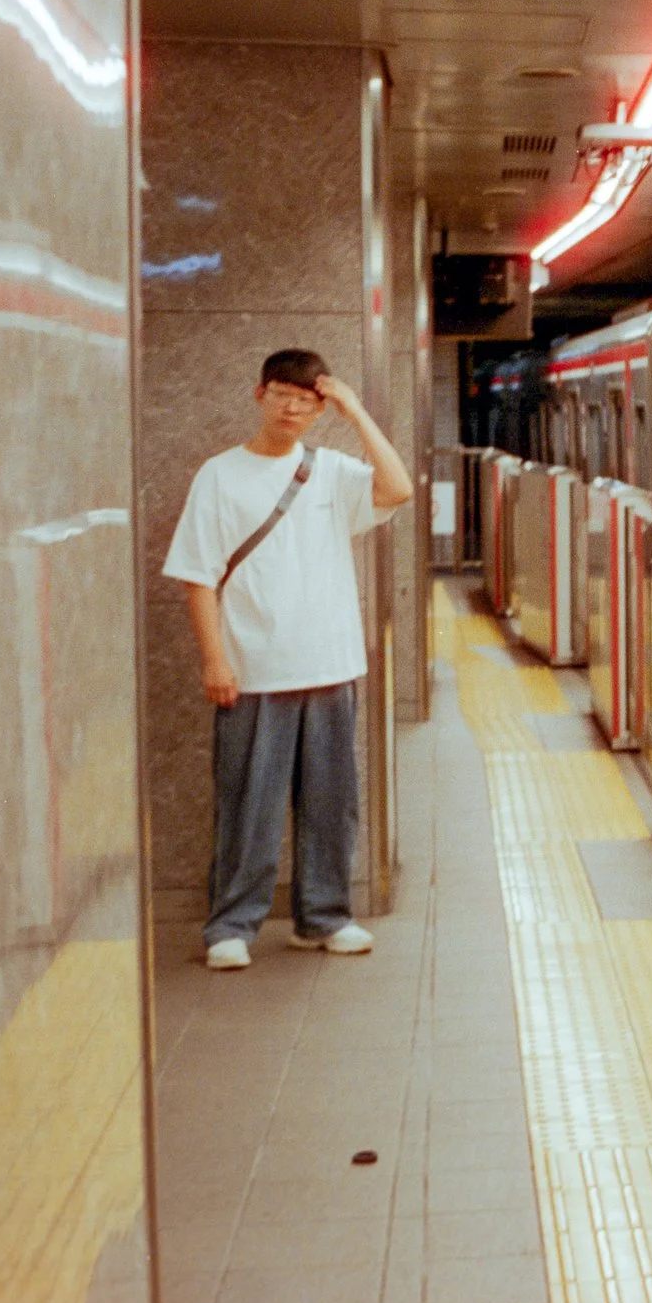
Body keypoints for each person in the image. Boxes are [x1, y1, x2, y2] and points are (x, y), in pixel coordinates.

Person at [164, 349, 413, 970]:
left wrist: (357, 411)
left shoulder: (331, 471)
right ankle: (230, 926)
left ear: (320, 408)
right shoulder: (219, 475)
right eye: (282, 395)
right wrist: (214, 660)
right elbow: (197, 576)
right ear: (260, 395)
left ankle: (324, 918)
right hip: (253, 670)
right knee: (248, 804)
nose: (292, 408)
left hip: (330, 665)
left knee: (332, 805)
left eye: (306, 400)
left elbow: (398, 489)